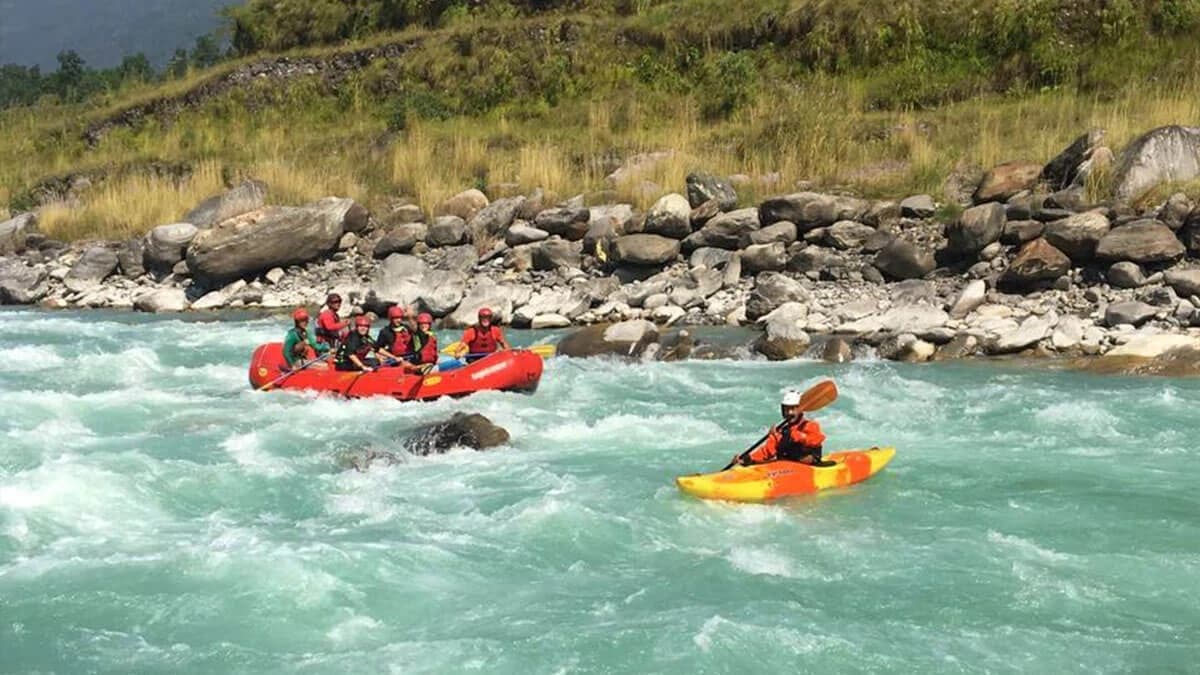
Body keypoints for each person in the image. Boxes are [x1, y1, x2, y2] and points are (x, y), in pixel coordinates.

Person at [736, 390, 833, 467]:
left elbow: (817, 439)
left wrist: (801, 437)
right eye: (786, 409)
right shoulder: (780, 431)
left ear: (800, 409)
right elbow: (766, 452)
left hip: (807, 465)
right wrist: (747, 459)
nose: (789, 412)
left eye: (793, 408)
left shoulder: (810, 425)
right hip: (785, 467)